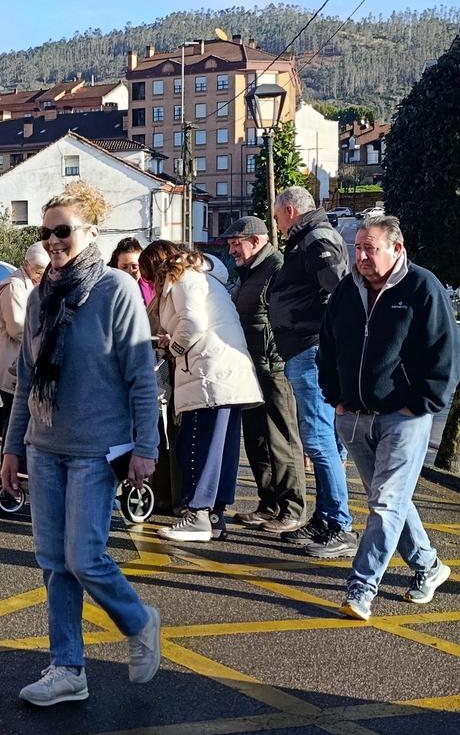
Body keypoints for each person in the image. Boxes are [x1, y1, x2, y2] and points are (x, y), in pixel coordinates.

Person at [1, 181, 161, 707]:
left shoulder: (114, 290)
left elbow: (141, 375)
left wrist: (146, 446)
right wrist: (12, 447)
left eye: (62, 231)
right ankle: (68, 668)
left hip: (97, 447)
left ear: (91, 231)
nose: (53, 242)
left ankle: (138, 622)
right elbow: (27, 376)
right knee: (52, 561)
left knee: (84, 557)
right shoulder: (43, 294)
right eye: (45, 233)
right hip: (45, 445)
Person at [319, 215, 460, 620]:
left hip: (404, 417)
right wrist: (336, 398)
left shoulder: (421, 287)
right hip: (354, 416)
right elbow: (327, 347)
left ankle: (360, 589)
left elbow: (446, 352)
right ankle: (429, 566)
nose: (361, 256)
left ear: (396, 249)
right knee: (391, 501)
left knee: (385, 503)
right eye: (357, 248)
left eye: (370, 248)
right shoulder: (347, 290)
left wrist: (421, 404)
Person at [143, 240, 262, 542]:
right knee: (221, 449)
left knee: (196, 443)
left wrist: (173, 346)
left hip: (208, 373)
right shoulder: (205, 277)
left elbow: (193, 323)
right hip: (229, 371)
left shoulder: (181, 278)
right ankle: (213, 516)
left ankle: (196, 515)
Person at [268, 185, 355, 559]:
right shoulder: (309, 239)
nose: (277, 224)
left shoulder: (316, 238)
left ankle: (338, 524)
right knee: (325, 442)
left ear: (289, 210)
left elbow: (339, 292)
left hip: (311, 348)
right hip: (307, 347)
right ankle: (326, 518)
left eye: (276, 216)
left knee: (318, 441)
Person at [223, 216, 305, 534]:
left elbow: (284, 317)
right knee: (257, 438)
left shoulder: (277, 269)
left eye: (236, 243)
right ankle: (268, 504)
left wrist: (273, 354)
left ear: (256, 241)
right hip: (251, 369)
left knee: (281, 439)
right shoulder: (249, 273)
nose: (232, 251)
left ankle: (292, 509)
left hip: (273, 368)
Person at [0, 242, 49, 436]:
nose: (41, 276)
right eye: (37, 271)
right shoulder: (15, 287)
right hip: (12, 364)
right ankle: (9, 466)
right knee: (14, 422)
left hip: (19, 361)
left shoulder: (31, 284)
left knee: (16, 422)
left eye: (44, 271)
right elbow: (18, 328)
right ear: (25, 264)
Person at [108, 236, 156, 306]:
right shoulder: (108, 289)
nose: (129, 272)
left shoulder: (153, 287)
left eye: (134, 266)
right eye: (124, 267)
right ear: (116, 265)